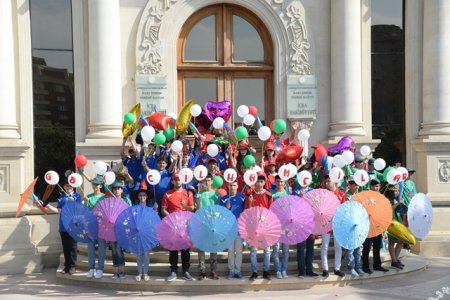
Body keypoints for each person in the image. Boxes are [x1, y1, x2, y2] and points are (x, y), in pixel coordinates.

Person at [162, 171, 195, 282]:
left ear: (182, 180)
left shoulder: (188, 193)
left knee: (185, 249)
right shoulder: (167, 194)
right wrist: (171, 219)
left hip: (185, 225)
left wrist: (184, 205)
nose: (177, 181)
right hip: (173, 226)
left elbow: (192, 208)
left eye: (179, 179)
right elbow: (163, 210)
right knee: (173, 249)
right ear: (172, 181)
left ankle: (186, 271)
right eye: (175, 179)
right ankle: (173, 271)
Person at [46, 177, 82, 275]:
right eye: (66, 185)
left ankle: (73, 266)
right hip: (63, 226)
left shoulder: (77, 196)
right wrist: (49, 207)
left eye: (70, 185)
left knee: (72, 247)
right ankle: (67, 266)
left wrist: (73, 202)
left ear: (73, 186)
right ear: (64, 187)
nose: (68, 187)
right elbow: (59, 211)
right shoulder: (61, 197)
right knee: (65, 247)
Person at [244, 172, 273, 280]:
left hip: (265, 227)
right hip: (253, 227)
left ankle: (266, 271)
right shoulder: (249, 195)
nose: (259, 183)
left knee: (266, 250)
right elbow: (246, 212)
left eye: (261, 181)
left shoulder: (269, 195)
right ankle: (254, 271)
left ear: (265, 182)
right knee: (253, 250)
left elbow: (271, 212)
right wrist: (250, 203)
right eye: (257, 181)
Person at [195, 175, 221, 280]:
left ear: (212, 182)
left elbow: (219, 210)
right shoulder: (199, 193)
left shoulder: (216, 194)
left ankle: (213, 271)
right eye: (205, 180)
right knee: (201, 249)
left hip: (212, 224)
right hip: (202, 224)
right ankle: (202, 271)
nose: (207, 182)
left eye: (209, 180)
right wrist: (197, 201)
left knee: (213, 248)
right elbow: (197, 209)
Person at [361, 178, 390, 274]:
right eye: (373, 185)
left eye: (376, 185)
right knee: (367, 246)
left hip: (378, 225)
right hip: (368, 225)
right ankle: (365, 266)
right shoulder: (366, 196)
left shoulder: (382, 197)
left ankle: (377, 265)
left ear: (379, 186)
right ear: (370, 186)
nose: (374, 187)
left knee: (377, 246)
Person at [321, 177, 347, 278]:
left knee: (338, 246)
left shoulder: (341, 194)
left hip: (338, 223)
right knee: (325, 246)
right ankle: (325, 269)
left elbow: (345, 208)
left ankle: (337, 268)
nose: (327, 183)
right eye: (326, 181)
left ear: (334, 182)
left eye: (328, 181)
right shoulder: (324, 194)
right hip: (326, 223)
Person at [220, 180, 245, 279]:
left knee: (239, 250)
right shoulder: (223, 199)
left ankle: (238, 271)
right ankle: (231, 271)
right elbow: (221, 214)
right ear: (228, 186)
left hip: (239, 228)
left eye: (234, 185)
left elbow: (246, 211)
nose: (232, 187)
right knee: (230, 251)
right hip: (228, 229)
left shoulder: (243, 197)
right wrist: (226, 208)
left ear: (238, 185)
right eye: (231, 185)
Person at [85, 176, 106, 279]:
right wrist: (85, 203)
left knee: (102, 248)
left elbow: (106, 212)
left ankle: (100, 269)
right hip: (91, 226)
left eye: (96, 184)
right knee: (90, 248)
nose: (94, 186)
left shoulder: (105, 197)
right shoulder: (88, 197)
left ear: (101, 186)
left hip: (102, 226)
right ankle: (91, 268)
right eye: (93, 184)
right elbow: (86, 213)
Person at [109, 180, 132, 279]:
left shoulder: (126, 200)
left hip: (122, 228)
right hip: (111, 229)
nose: (116, 191)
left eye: (118, 188)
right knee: (113, 250)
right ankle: (115, 271)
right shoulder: (109, 201)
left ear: (122, 190)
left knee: (119, 249)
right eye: (114, 189)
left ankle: (122, 270)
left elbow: (130, 214)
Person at [345, 176, 365, 276]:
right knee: (350, 248)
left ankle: (358, 267)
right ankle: (351, 267)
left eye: (357, 185)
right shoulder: (346, 196)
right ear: (350, 186)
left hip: (358, 224)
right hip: (349, 225)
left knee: (357, 248)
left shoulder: (359, 196)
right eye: (355, 185)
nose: (357, 187)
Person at [133, 186, 155, 282]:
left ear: (146, 197)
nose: (142, 197)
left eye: (144, 195)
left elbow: (153, 223)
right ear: (138, 197)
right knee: (139, 254)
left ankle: (145, 272)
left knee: (146, 254)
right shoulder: (135, 209)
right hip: (137, 234)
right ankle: (139, 272)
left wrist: (156, 212)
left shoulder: (151, 209)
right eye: (140, 195)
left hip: (147, 235)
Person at [270, 176, 290, 279]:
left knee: (286, 249)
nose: (280, 183)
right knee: (276, 249)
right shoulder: (272, 194)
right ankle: (278, 270)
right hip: (276, 225)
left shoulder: (287, 194)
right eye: (278, 181)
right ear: (275, 182)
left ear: (284, 182)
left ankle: (284, 270)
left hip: (286, 226)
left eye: (281, 181)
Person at [385, 184, 405, 269]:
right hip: (391, 223)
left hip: (398, 222)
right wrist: (398, 203)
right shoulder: (386, 200)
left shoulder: (395, 199)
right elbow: (389, 209)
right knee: (392, 242)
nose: (398, 192)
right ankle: (394, 260)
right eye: (396, 190)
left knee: (401, 241)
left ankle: (396, 260)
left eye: (398, 190)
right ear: (391, 191)